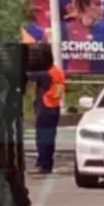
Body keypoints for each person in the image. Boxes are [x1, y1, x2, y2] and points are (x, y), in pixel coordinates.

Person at [26, 44, 65, 174]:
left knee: (42, 138)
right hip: (54, 107)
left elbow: (29, 75)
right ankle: (46, 162)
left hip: (46, 108)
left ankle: (44, 164)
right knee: (49, 137)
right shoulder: (57, 71)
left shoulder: (45, 75)